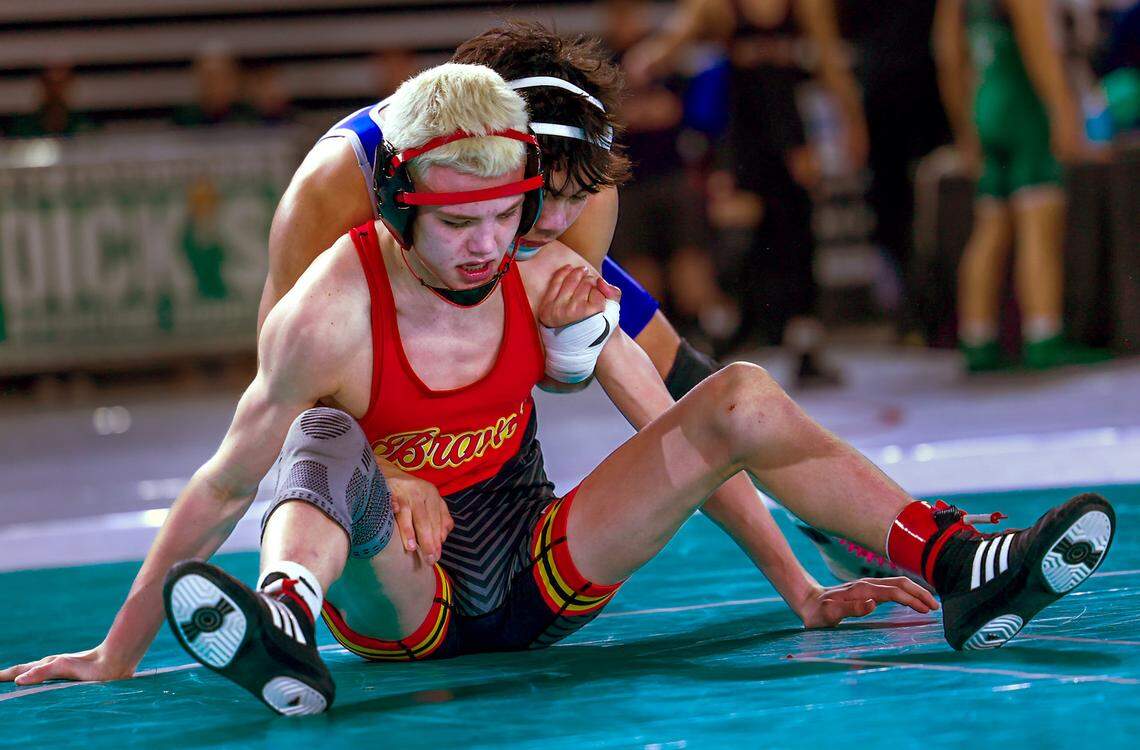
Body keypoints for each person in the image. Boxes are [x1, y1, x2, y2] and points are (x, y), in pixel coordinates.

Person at [0, 64, 1116, 717]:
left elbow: (694, 435)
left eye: (509, 216)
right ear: (396, 205)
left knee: (735, 388)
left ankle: (959, 561)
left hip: (541, 576)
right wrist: (118, 651)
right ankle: (284, 616)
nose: (491, 246)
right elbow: (220, 486)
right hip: (404, 595)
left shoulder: (540, 272)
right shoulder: (325, 308)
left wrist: (802, 594)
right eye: (459, 223)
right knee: (325, 434)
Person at [933, 0, 1110, 371]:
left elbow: (947, 50)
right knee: (1040, 223)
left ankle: (977, 338)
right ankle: (1043, 336)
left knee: (991, 225)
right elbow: (1038, 41)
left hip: (986, 99)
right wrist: (1062, 107)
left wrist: (964, 120)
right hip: (1022, 101)